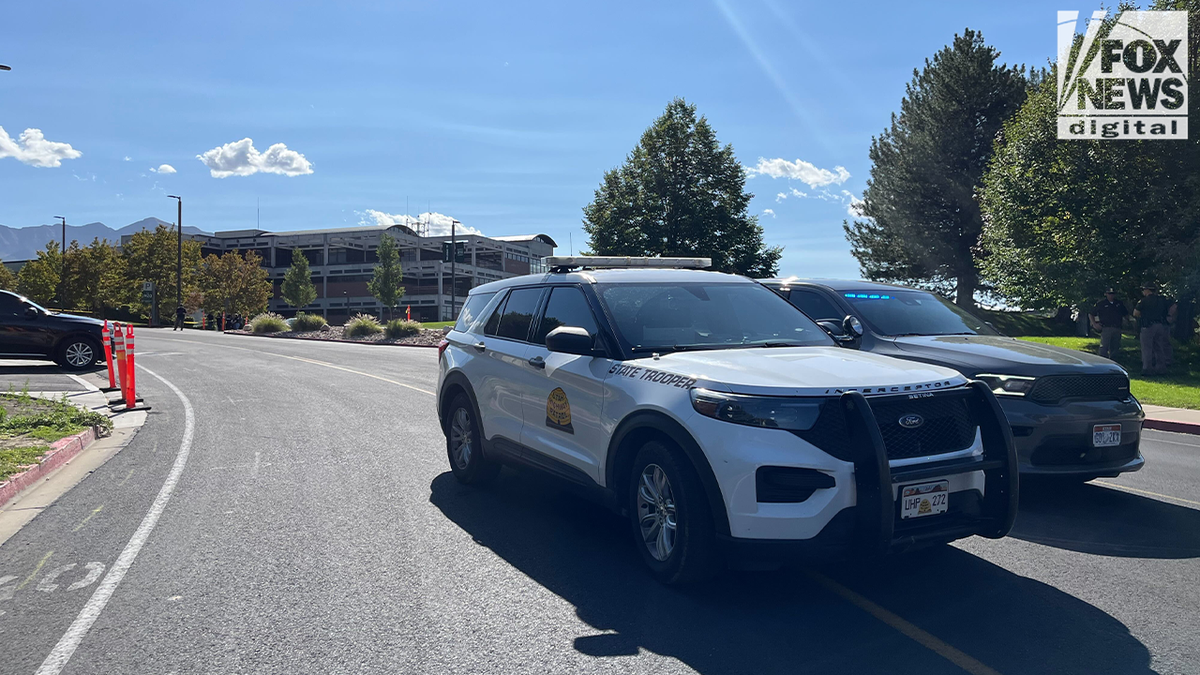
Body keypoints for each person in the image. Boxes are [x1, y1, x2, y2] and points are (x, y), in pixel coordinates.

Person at [1133, 282, 1176, 375]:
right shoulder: (1161, 300)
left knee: (1147, 348)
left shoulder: (1144, 301)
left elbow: (1135, 313)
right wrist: (1169, 315)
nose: (1143, 291)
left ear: (1147, 290)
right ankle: (1161, 368)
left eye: (1144, 289)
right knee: (1159, 347)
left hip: (1148, 326)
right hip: (1160, 326)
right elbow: (1173, 306)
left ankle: (1147, 369)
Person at [1089, 287, 1128, 360]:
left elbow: (1125, 314)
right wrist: (1094, 324)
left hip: (1117, 327)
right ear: (1106, 294)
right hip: (1106, 327)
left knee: (1115, 346)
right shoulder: (1101, 303)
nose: (1111, 296)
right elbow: (1091, 314)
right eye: (1109, 294)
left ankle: (1114, 361)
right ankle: (1102, 361)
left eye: (1112, 294)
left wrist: (1127, 322)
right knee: (1104, 346)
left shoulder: (1119, 303)